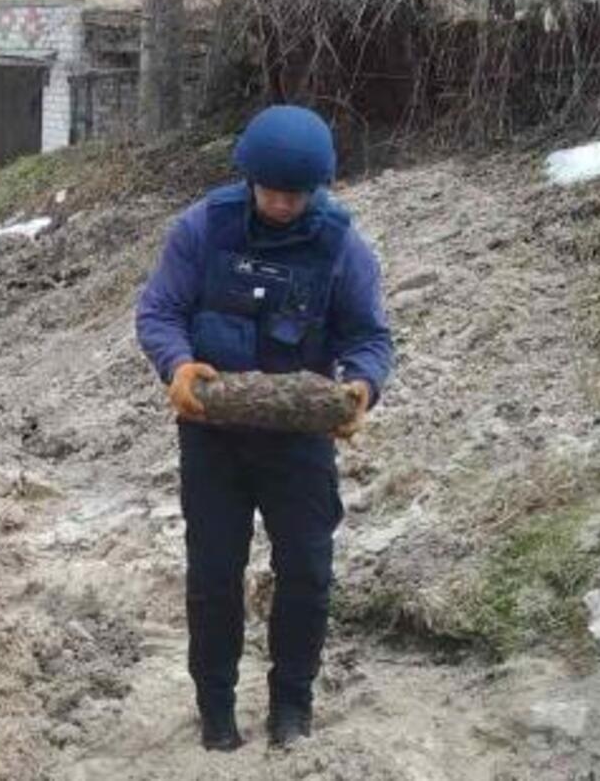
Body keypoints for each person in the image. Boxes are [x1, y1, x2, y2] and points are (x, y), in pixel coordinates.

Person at [135, 104, 394, 751]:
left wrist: (361, 385)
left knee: (306, 569)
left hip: (298, 443)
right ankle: (216, 708)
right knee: (214, 571)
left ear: (317, 190)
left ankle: (291, 707)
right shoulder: (203, 229)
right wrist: (179, 364)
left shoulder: (341, 247)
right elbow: (160, 310)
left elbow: (368, 336)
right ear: (249, 178)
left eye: (295, 194)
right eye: (272, 191)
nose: (281, 204)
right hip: (213, 435)